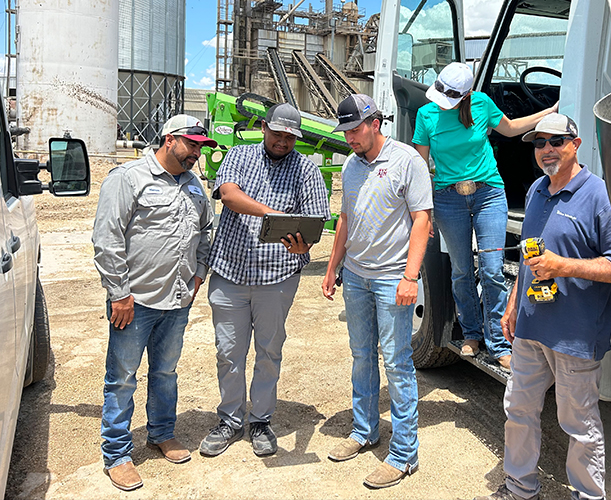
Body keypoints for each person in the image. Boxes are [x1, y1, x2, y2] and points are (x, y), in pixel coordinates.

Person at [474, 114, 611, 500]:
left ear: (575, 144)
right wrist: (512, 304)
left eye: (555, 141)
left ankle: (588, 496)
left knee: (578, 424)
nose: (546, 150)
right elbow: (530, 256)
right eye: (539, 143)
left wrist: (565, 266)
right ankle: (520, 488)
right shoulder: (536, 192)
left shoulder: (599, 195)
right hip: (530, 326)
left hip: (575, 334)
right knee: (519, 410)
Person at [93, 114, 217, 491]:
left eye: (201, 146)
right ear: (169, 140)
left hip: (177, 301)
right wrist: (120, 294)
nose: (197, 152)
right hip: (135, 302)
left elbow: (207, 231)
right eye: (192, 144)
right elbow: (107, 238)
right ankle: (117, 454)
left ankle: (162, 433)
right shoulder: (128, 179)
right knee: (122, 379)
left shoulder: (194, 185)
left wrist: (198, 276)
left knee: (165, 373)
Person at [199, 103, 330, 458]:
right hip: (230, 271)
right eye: (277, 134)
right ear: (263, 126)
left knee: (269, 351)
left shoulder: (306, 169)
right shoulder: (239, 156)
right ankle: (229, 418)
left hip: (278, 275)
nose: (283, 142)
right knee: (229, 352)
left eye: (290, 137)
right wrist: (273, 213)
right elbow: (228, 194)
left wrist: (305, 239)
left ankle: (260, 420)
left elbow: (316, 219)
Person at [412, 62, 557, 369]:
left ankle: (499, 342)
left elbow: (512, 128)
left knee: (491, 269)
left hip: (488, 193)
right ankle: (471, 335)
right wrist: (422, 214)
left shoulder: (481, 103)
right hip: (449, 198)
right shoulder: (426, 115)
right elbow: (420, 168)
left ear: (465, 96)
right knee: (463, 270)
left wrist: (550, 111)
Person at [322, 94, 432, 489]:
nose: (349, 137)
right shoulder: (351, 165)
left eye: (355, 129)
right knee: (361, 356)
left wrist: (410, 277)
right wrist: (334, 267)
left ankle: (404, 454)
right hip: (356, 276)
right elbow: (345, 219)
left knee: (398, 363)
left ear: (375, 123)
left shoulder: (407, 161)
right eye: (345, 131)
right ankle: (365, 429)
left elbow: (422, 220)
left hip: (391, 279)